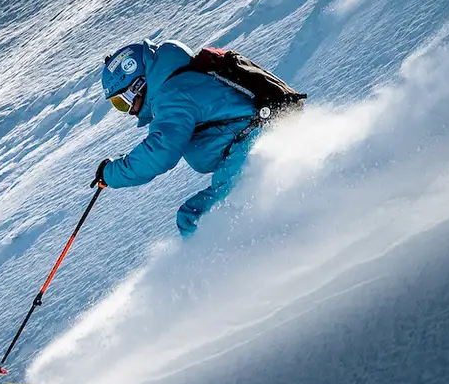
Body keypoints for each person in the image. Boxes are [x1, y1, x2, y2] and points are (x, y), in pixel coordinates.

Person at [92, 40, 299, 237]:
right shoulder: (177, 81)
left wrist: (111, 173)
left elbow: (160, 152)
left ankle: (240, 259)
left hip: (251, 144)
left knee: (196, 218)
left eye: (122, 102)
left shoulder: (172, 94)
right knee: (199, 215)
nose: (128, 111)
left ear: (138, 85)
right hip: (251, 142)